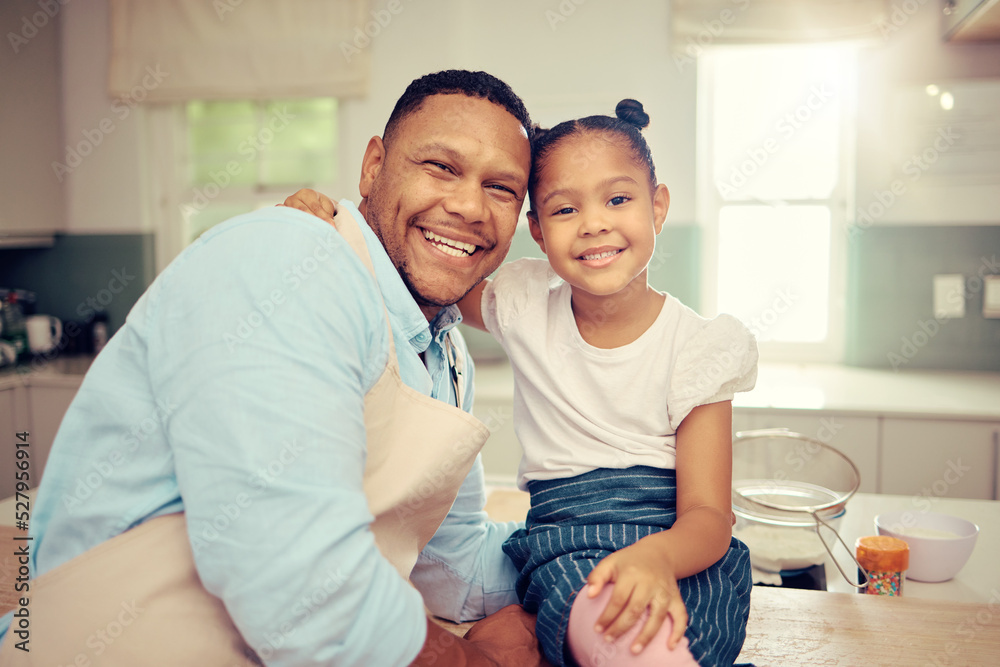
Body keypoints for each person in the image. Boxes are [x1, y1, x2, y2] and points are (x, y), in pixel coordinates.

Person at [0, 70, 551, 667]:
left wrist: (606, 552)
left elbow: (453, 564)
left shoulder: (445, 353)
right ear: (372, 167)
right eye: (441, 167)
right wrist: (480, 663)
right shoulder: (289, 262)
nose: (469, 206)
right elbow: (299, 581)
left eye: (501, 188)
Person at [289, 99, 758, 667]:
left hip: (679, 547)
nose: (594, 223)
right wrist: (336, 227)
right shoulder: (524, 302)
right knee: (617, 635)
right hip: (570, 546)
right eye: (564, 209)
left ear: (657, 207)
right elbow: (416, 265)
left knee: (695, 636)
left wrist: (656, 559)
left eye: (618, 199)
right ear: (535, 229)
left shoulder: (702, 346)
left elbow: (709, 517)